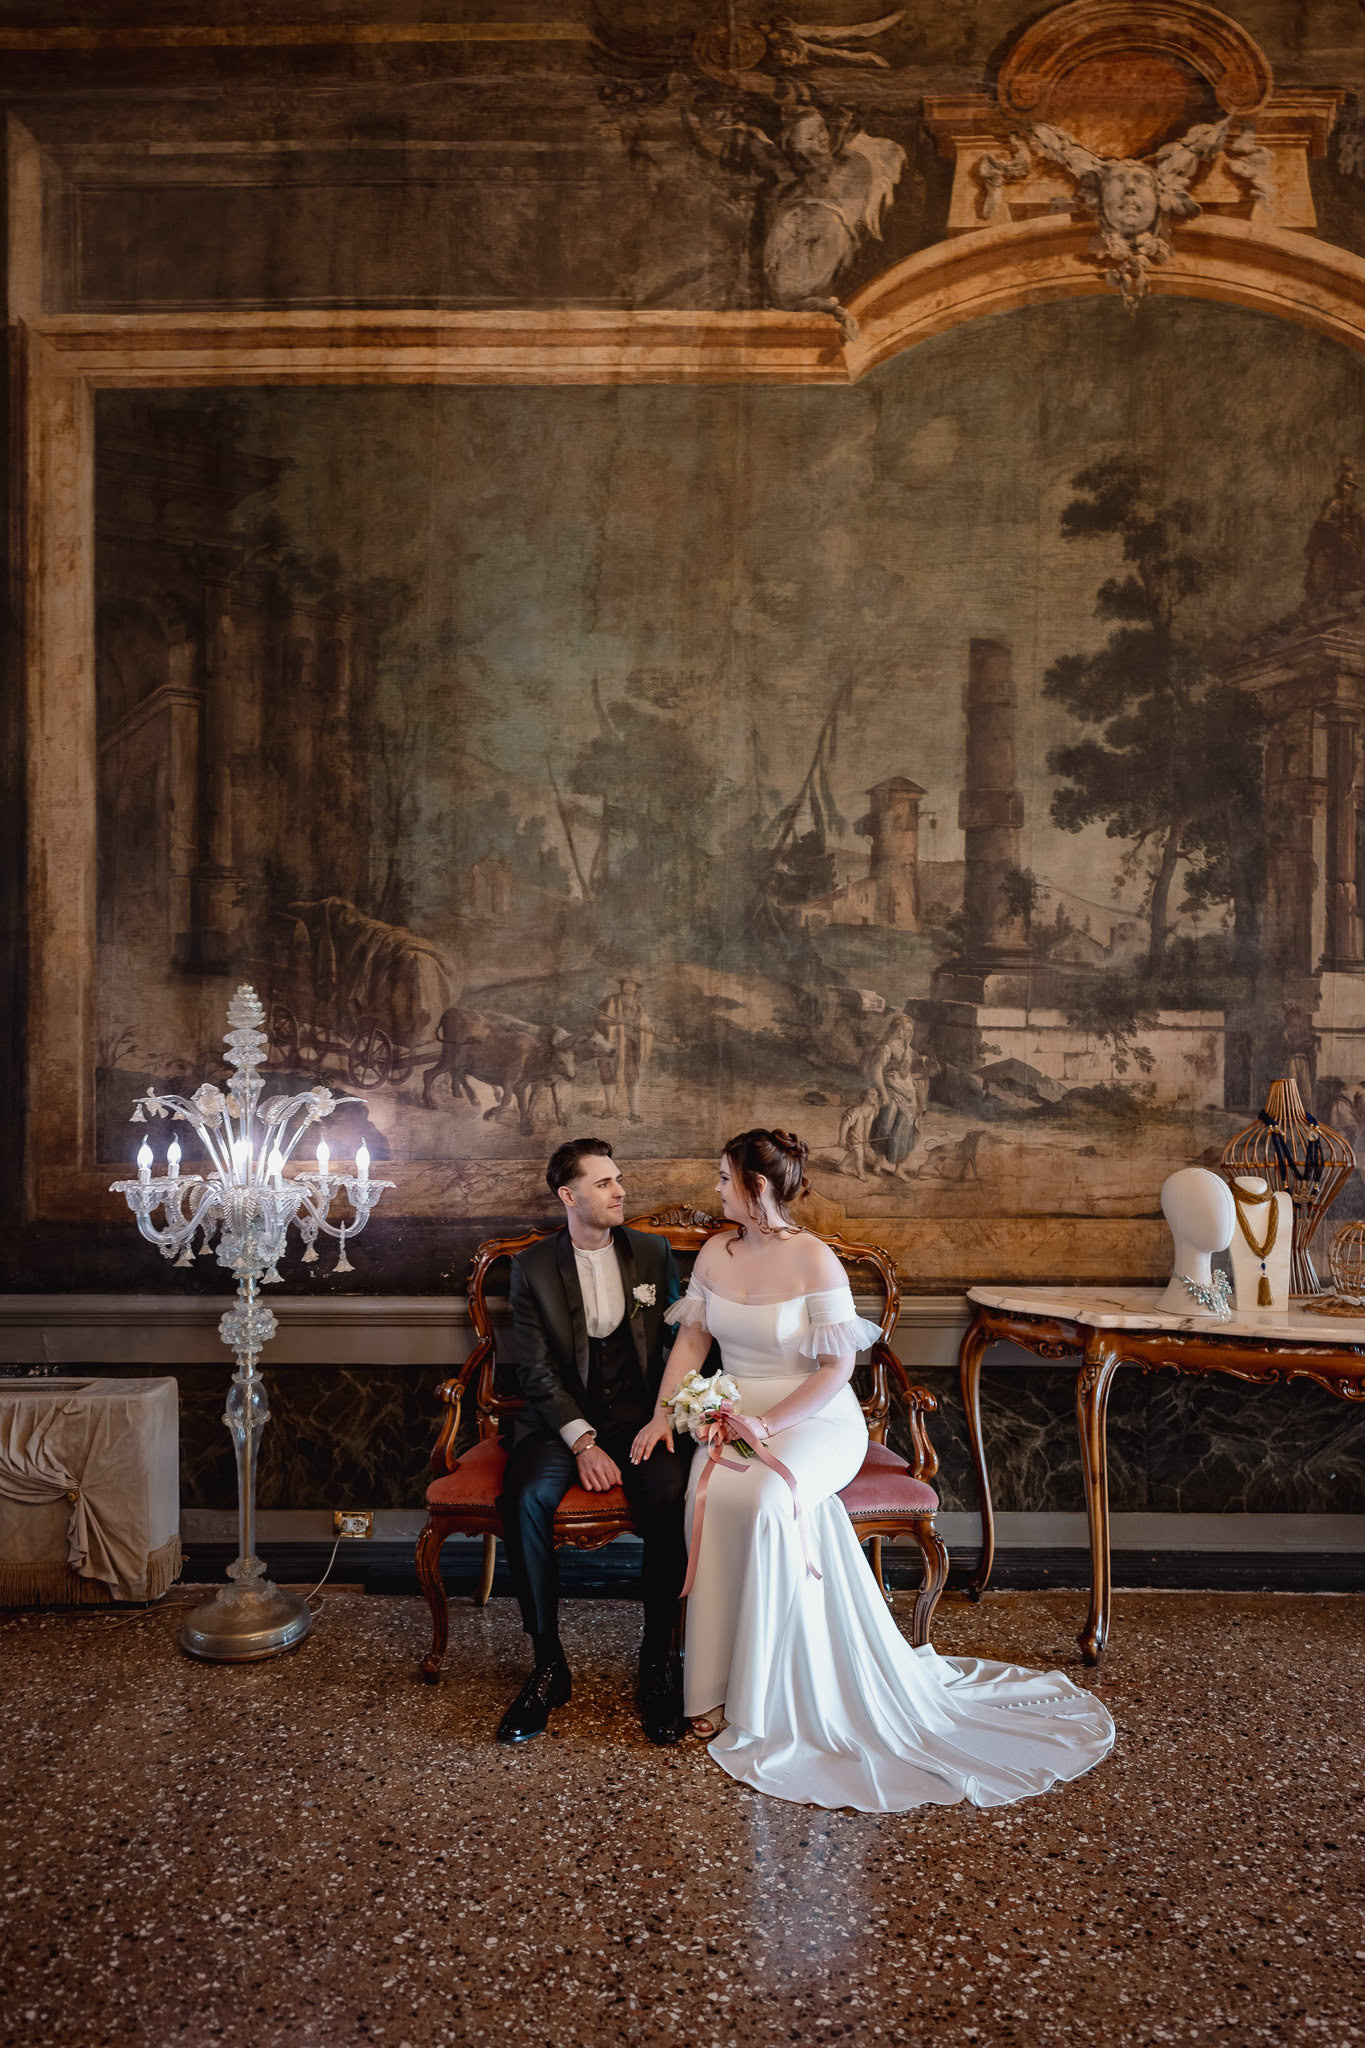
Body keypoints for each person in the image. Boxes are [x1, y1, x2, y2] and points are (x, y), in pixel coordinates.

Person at [638, 1128, 1114, 1811]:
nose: (714, 1190)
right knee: (706, 1499)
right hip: (736, 1408)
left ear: (756, 1187)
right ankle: (710, 1686)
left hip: (810, 1418)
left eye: (722, 1178)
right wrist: (664, 1414)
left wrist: (769, 1426)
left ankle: (767, 1694)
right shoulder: (716, 1250)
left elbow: (837, 1369)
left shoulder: (814, 1260)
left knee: (772, 1499)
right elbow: (692, 1339)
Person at [496, 1138, 687, 1747]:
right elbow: (536, 1372)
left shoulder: (654, 1255)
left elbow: (681, 1348)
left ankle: (657, 1661)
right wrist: (581, 1442)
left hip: (641, 1419)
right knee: (525, 1497)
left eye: (619, 1179)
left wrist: (665, 1420)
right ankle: (548, 1663)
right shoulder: (530, 1267)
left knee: (671, 1498)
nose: (620, 1191)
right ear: (568, 1195)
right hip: (561, 1423)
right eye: (604, 1183)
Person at [593, 972, 653, 1123]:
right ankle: (609, 1109)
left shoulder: (639, 1007)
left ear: (635, 989)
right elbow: (598, 1020)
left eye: (632, 985)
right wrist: (613, 1022)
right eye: (626, 984)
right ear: (622, 986)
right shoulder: (610, 1001)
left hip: (631, 1047)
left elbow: (645, 1026)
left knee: (632, 1077)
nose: (629, 987)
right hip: (611, 1045)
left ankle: (634, 1113)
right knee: (608, 1075)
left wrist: (641, 1027)